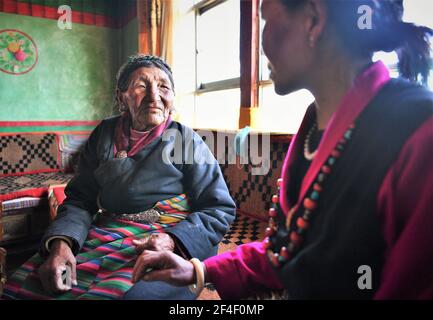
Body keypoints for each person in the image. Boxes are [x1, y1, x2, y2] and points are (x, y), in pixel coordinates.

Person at [131, 0, 433, 299]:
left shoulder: (419, 132)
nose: (261, 44)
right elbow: (286, 248)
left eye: (265, 20)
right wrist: (198, 271)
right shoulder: (313, 122)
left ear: (313, 20)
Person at [2, 55, 236, 300]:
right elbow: (80, 199)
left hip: (176, 236)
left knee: (134, 295)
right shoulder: (104, 134)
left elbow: (218, 207)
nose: (154, 96)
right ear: (121, 97)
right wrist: (62, 244)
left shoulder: (185, 140)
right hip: (110, 230)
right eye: (141, 86)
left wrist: (171, 241)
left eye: (163, 87)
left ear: (173, 98)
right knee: (26, 284)